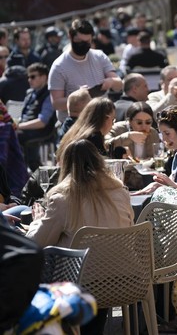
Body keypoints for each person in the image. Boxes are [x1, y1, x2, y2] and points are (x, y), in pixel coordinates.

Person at [26, 138, 133, 335]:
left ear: (66, 166)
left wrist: (37, 220)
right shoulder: (121, 192)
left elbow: (36, 243)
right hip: (126, 280)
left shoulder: (62, 199)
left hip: (81, 283)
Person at [48, 19, 123, 122]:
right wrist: (78, 98)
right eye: (79, 41)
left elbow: (119, 85)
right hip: (75, 125)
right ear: (70, 37)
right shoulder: (59, 66)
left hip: (101, 120)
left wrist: (111, 82)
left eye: (87, 42)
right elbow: (56, 103)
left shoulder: (99, 56)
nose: (83, 45)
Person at [135, 106, 177, 194]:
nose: (164, 139)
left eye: (167, 133)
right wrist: (158, 185)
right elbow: (174, 187)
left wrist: (171, 184)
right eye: (162, 134)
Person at [16, 63, 56, 171]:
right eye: (28, 77)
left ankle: (20, 173)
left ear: (44, 77)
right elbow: (23, 115)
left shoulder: (49, 94)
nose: (29, 80)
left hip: (41, 131)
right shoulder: (30, 93)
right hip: (26, 129)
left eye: (33, 77)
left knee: (12, 137)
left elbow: (42, 122)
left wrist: (19, 126)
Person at [57, 97, 117, 161]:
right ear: (105, 119)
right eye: (113, 120)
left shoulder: (74, 131)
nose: (113, 124)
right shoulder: (94, 138)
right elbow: (102, 166)